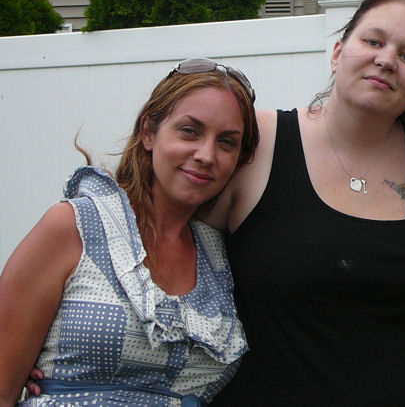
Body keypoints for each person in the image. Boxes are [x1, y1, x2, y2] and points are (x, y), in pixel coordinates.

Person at [206, 0, 405, 405]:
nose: (386, 60)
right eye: (373, 41)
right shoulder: (255, 142)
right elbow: (167, 232)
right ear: (336, 53)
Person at [0, 58, 259, 406]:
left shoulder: (220, 255)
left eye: (227, 142)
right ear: (148, 132)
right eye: (190, 131)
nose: (206, 155)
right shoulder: (75, 226)